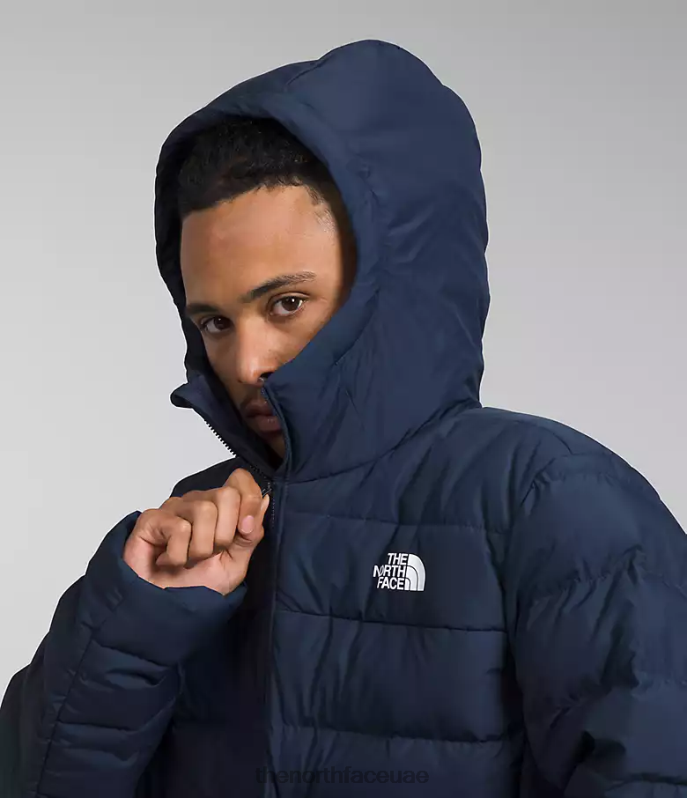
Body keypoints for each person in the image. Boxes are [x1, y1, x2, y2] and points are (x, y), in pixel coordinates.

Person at [1, 38, 686, 798]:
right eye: (215, 322)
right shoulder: (194, 532)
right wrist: (135, 621)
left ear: (392, 290)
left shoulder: (552, 503)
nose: (246, 363)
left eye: (285, 303)